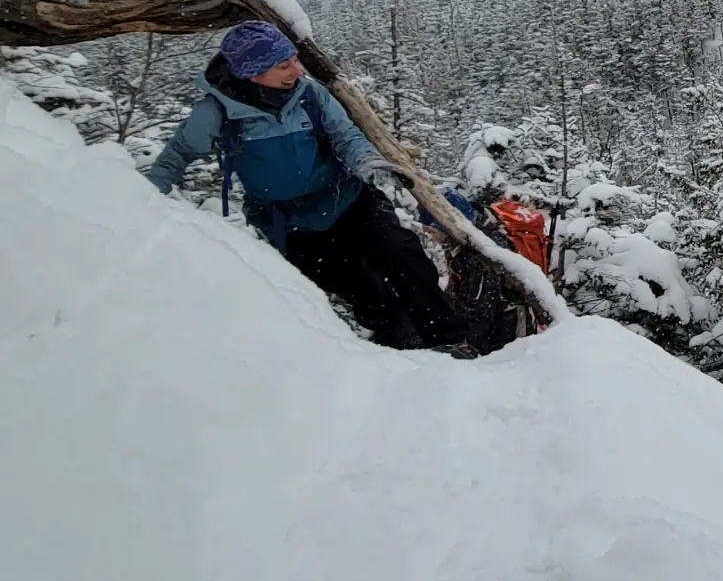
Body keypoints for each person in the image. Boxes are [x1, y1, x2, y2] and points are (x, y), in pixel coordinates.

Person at [145, 21, 457, 350]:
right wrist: (140, 199)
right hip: (291, 225)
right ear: (253, 73)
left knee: (405, 259)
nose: (296, 70)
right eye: (284, 65)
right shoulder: (218, 112)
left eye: (294, 59)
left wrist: (368, 163)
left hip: (349, 200)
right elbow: (176, 156)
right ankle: (400, 349)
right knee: (361, 290)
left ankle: (450, 341)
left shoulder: (310, 94)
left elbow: (345, 135)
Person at [420, 189, 533, 357]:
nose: (430, 237)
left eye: (431, 231)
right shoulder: (463, 242)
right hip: (490, 328)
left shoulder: (482, 252)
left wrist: (460, 340)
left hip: (502, 335)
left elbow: (483, 307)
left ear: (445, 225)